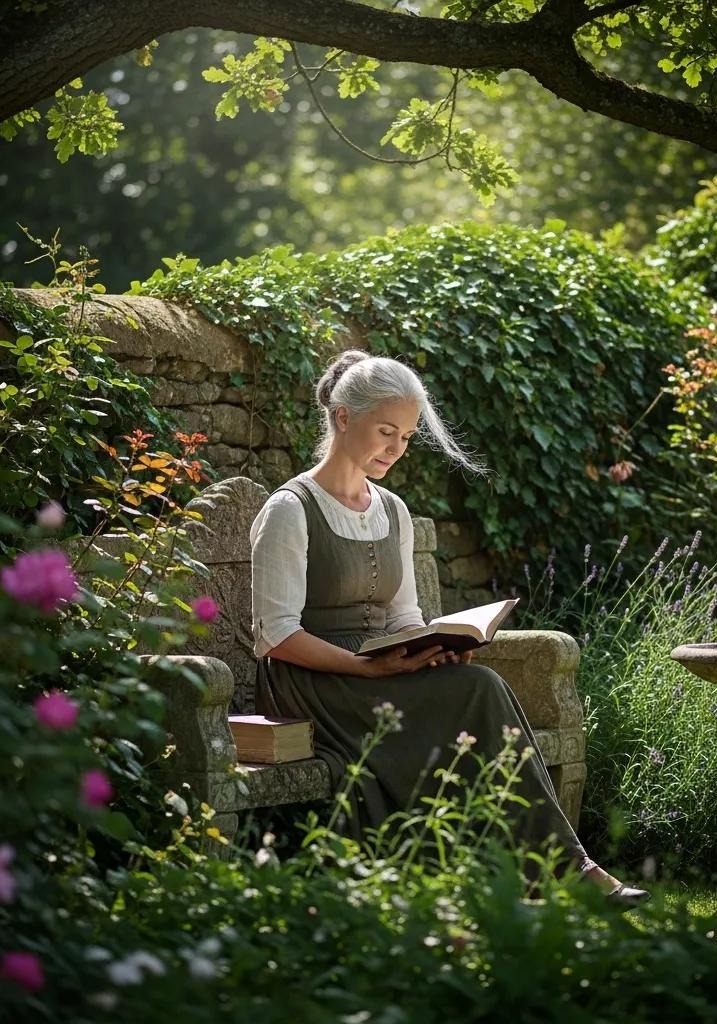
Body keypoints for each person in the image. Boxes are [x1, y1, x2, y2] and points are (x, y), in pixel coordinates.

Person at [250, 350, 649, 906]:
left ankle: (536, 872)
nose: (396, 448)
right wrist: (368, 665)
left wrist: (431, 647)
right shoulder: (289, 509)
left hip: (377, 670)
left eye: (408, 437)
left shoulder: (393, 510)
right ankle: (559, 869)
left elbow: (404, 617)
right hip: (310, 682)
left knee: (475, 685)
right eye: (386, 431)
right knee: (481, 691)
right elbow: (274, 634)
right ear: (343, 417)